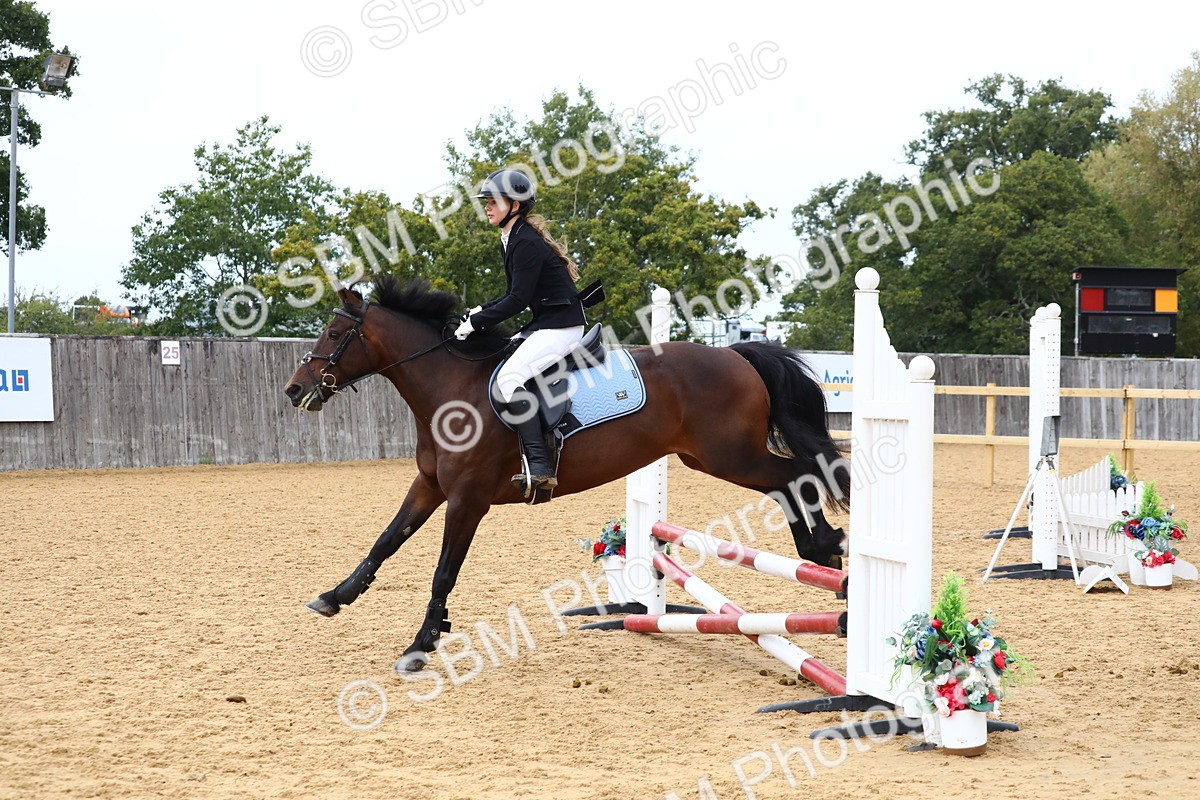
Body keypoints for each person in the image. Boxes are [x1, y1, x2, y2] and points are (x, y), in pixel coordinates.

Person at [454, 168, 585, 492]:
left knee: (509, 379)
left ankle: (540, 465)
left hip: (563, 327)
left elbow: (518, 299)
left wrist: (477, 324)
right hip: (545, 323)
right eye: (485, 200)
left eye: (493, 201)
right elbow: (512, 293)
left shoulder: (525, 241)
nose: (486, 206)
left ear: (514, 205)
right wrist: (480, 311)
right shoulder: (511, 237)